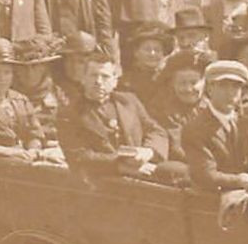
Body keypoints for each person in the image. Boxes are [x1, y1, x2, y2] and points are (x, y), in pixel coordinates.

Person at [56, 56, 188, 185]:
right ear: (83, 79)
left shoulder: (128, 101)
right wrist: (122, 166)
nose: (99, 81)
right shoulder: (70, 113)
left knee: (184, 173)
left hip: (143, 167)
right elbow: (79, 156)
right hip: (102, 180)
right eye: (93, 75)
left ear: (115, 81)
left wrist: (148, 151)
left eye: (105, 77)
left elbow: (156, 131)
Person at [182, 61, 248, 197]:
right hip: (209, 199)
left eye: (236, 87)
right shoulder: (195, 128)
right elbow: (205, 175)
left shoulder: (247, 123)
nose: (230, 93)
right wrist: (243, 181)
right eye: (223, 86)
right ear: (210, 89)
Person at [148, 45, 212, 162]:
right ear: (172, 84)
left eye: (194, 83)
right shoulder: (163, 110)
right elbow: (176, 147)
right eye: (182, 83)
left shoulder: (213, 107)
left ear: (204, 83)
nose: (188, 89)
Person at [10, 34, 66, 143]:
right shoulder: (7, 97)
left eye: (35, 66)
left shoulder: (60, 95)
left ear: (45, 67)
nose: (29, 73)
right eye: (23, 68)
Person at [117, 20, 172, 104]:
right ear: (136, 52)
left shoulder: (170, 80)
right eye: (147, 49)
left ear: (163, 53)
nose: (152, 54)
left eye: (157, 50)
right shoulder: (125, 83)